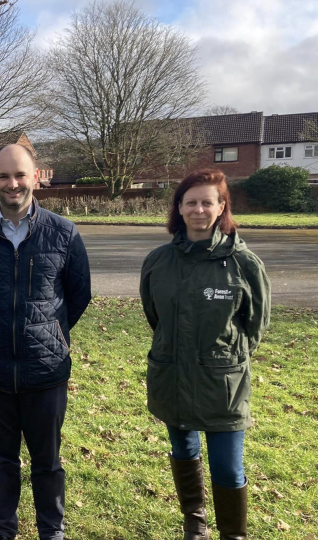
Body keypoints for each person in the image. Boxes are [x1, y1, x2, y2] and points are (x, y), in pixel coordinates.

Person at [0, 144, 91, 540]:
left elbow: (78, 295)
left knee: (47, 463)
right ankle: (4, 532)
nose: (13, 184)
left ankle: (52, 532)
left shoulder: (63, 233)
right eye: (4, 176)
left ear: (36, 177)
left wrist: (50, 334)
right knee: (2, 462)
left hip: (45, 372)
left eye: (20, 175)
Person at [140, 168, 271, 540]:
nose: (199, 209)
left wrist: (222, 357)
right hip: (173, 376)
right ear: (179, 208)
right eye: (191, 202)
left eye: (207, 202)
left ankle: (233, 534)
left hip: (223, 384)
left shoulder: (244, 264)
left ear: (221, 207)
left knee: (228, 468)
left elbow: (255, 325)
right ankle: (195, 523)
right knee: (183, 448)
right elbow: (156, 317)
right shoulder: (158, 262)